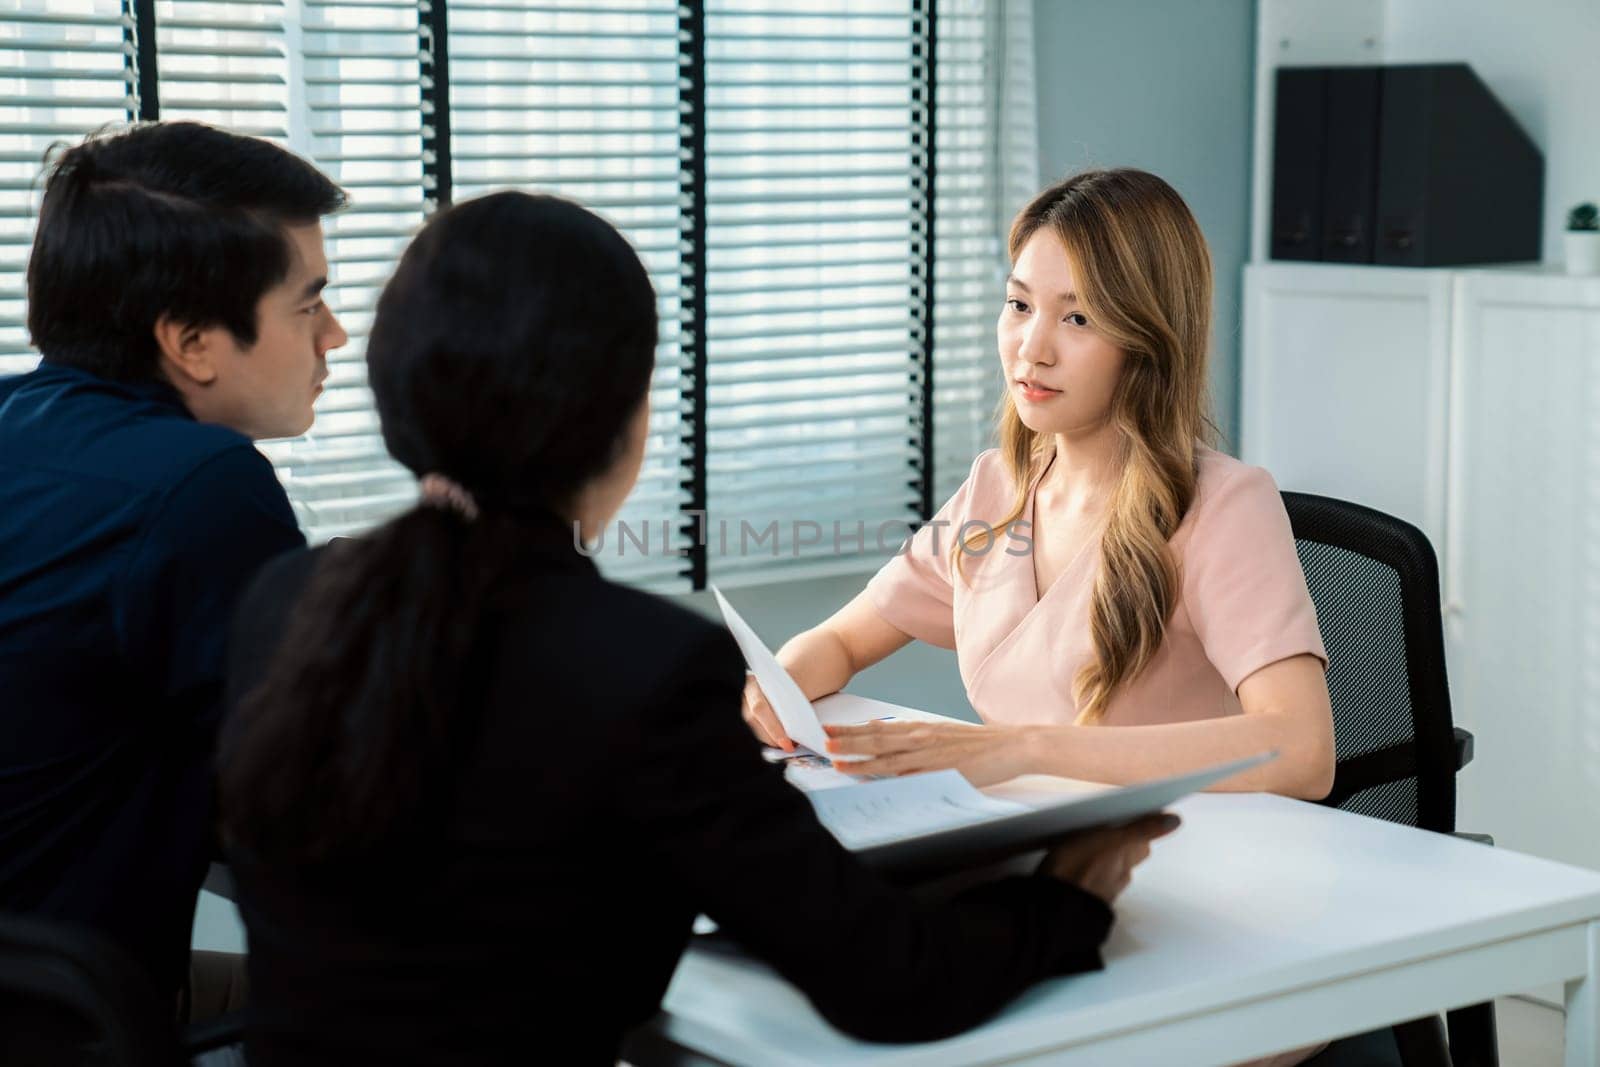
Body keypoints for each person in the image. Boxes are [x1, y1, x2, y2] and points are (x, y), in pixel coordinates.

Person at [217, 190, 1179, 1066]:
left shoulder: (279, 600)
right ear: (625, 420)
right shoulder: (644, 669)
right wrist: (1069, 896)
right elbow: (894, 980)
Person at [742, 168, 1336, 800]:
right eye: (1020, 305)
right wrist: (777, 685)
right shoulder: (996, 488)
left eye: (1078, 318)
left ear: (1148, 340)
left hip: (1176, 844)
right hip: (1022, 834)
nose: (1032, 349)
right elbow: (840, 639)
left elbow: (1302, 751)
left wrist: (1023, 749)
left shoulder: (1224, 505)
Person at [0, 121, 348, 1015]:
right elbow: (319, 785)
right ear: (192, 341)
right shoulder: (200, 488)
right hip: (67, 1017)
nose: (336, 337)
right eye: (308, 305)